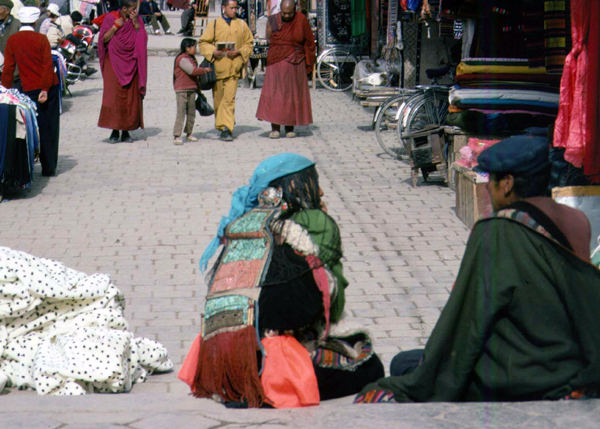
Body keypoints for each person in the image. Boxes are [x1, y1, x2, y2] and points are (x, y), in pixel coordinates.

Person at [355, 135, 600, 404]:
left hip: (525, 377)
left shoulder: (496, 231)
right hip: (575, 367)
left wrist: (432, 376)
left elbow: (468, 318)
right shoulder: (577, 220)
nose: (487, 191)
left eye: (489, 182)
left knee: (406, 366)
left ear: (506, 184)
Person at [178, 153, 384, 408]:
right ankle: (267, 385)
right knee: (369, 365)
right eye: (311, 181)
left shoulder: (244, 222)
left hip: (219, 360)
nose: (319, 190)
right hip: (272, 359)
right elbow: (325, 305)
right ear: (296, 185)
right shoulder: (314, 222)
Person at [1, 6, 61, 177]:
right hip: (46, 87)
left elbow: (8, 69)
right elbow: (47, 66)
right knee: (48, 127)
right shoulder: (41, 39)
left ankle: (27, 163)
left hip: (25, 88)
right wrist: (45, 89)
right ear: (35, 21)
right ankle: (49, 166)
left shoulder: (13, 40)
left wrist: (6, 92)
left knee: (27, 127)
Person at [256, 0, 314, 139]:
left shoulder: (301, 20)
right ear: (280, 10)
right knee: (275, 94)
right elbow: (270, 39)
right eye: (284, 13)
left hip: (295, 62)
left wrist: (308, 61)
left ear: (295, 10)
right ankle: (275, 128)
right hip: (277, 61)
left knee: (292, 95)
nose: (286, 16)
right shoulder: (273, 20)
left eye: (289, 13)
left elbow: (309, 41)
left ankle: (290, 128)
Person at [198, 0, 253, 141]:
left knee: (229, 100)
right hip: (217, 69)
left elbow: (249, 43)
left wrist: (239, 51)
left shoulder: (242, 25)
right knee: (218, 101)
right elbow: (203, 42)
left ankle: (227, 128)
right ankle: (222, 125)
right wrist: (212, 51)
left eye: (236, 8)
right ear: (224, 8)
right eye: (231, 8)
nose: (234, 10)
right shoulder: (215, 25)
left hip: (233, 69)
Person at [97, 0, 148, 143]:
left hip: (131, 63)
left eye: (136, 9)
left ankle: (126, 131)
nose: (135, 12)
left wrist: (137, 27)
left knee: (129, 98)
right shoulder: (110, 18)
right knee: (113, 97)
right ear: (124, 8)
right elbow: (103, 40)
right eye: (132, 9)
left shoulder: (137, 20)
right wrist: (115, 27)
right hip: (113, 63)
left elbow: (142, 40)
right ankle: (114, 131)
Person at [172, 38, 211, 145]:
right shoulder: (182, 59)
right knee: (181, 113)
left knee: (191, 113)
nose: (196, 49)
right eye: (194, 47)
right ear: (187, 48)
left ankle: (189, 133)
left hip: (192, 89)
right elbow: (192, 70)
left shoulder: (192, 58)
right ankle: (177, 135)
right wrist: (204, 70)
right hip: (182, 89)